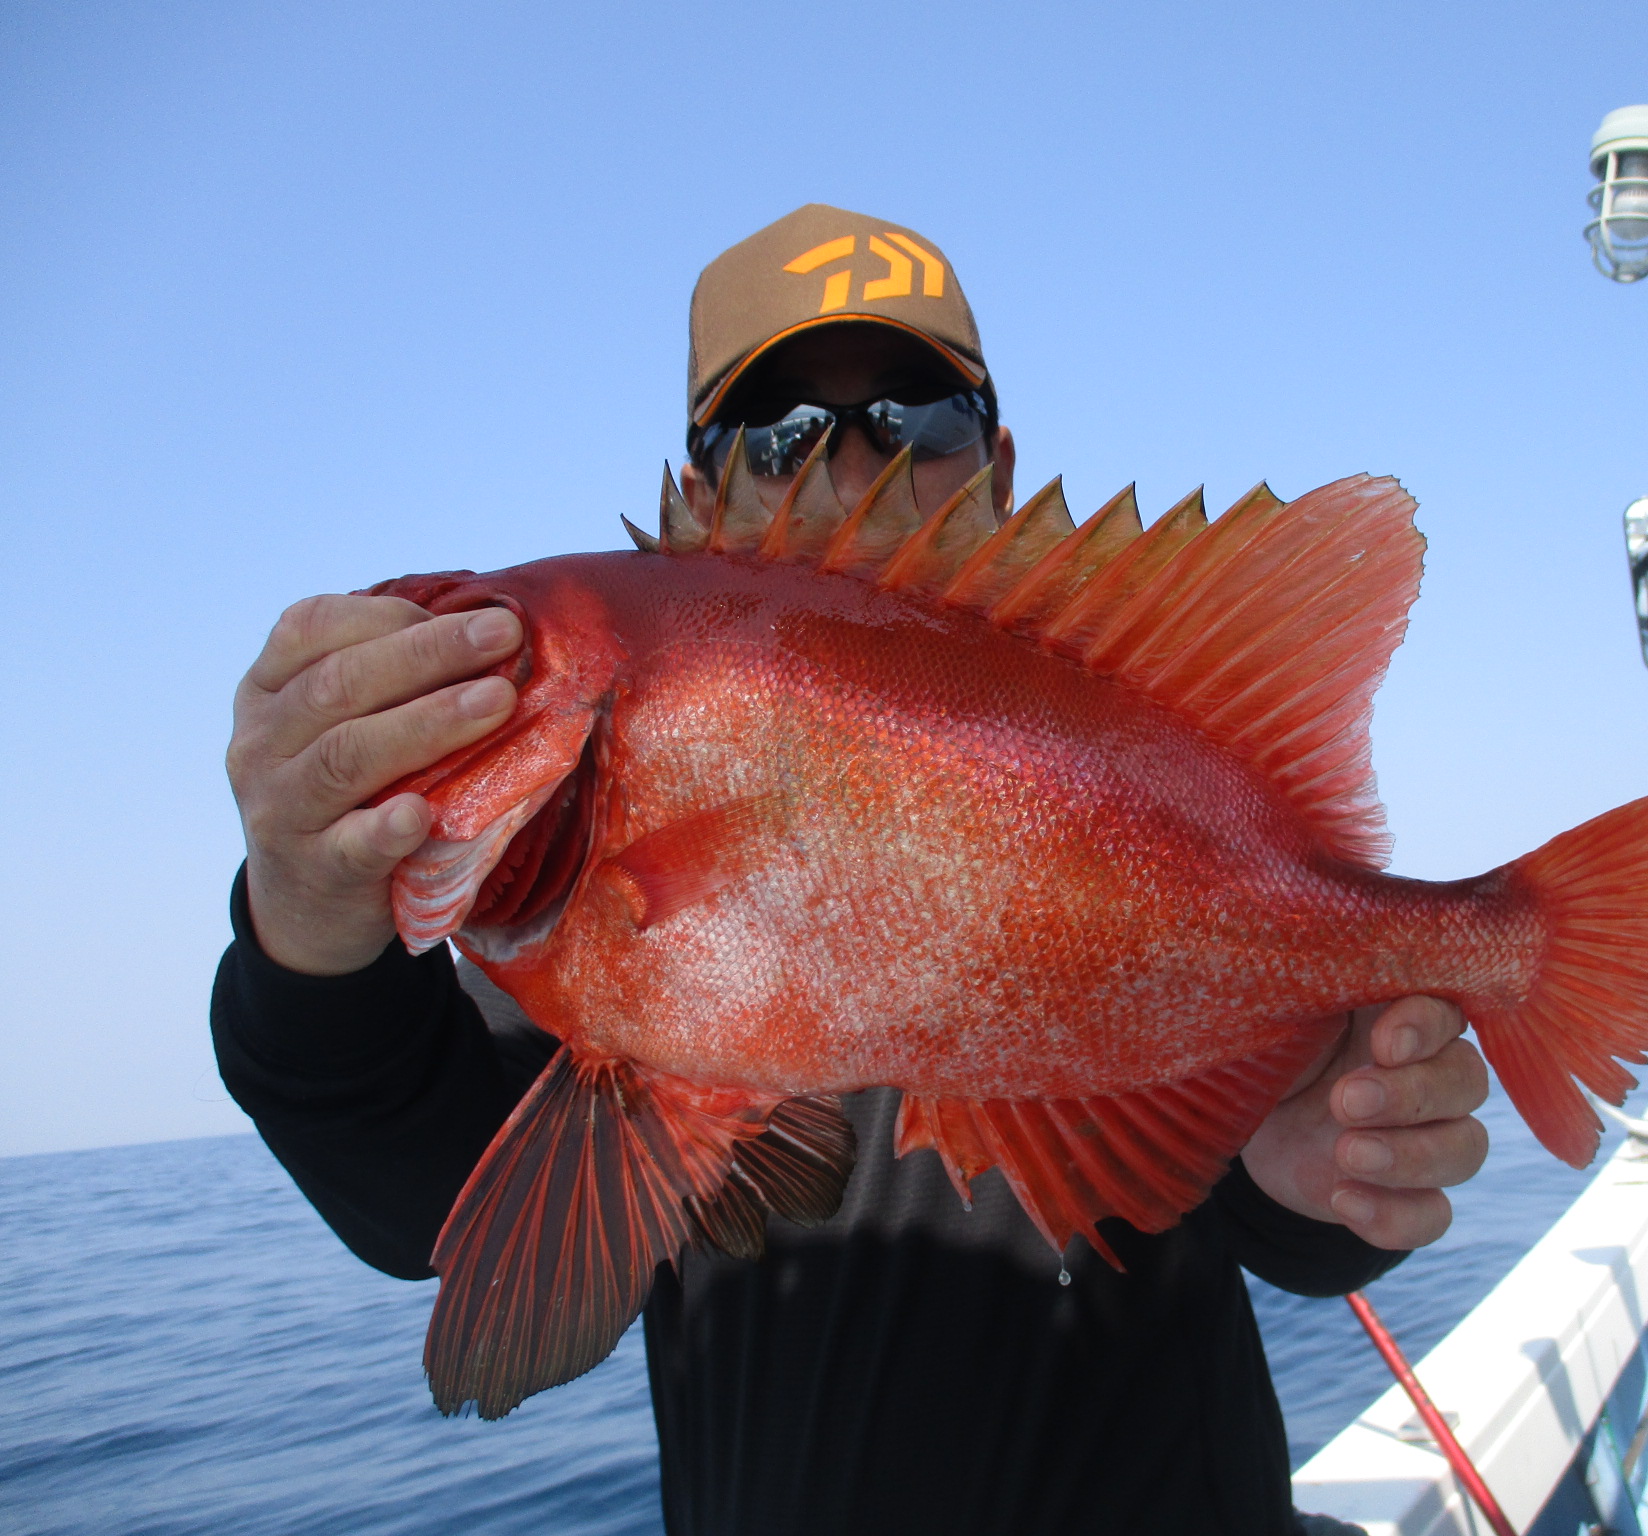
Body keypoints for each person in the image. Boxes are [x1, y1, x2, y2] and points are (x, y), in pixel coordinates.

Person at [213, 203, 1490, 1536]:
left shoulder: (1139, 719)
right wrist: (303, 928)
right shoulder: (583, 949)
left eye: (915, 417)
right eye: (778, 431)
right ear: (705, 486)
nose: (847, 465)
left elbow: (1280, 1199)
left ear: (995, 461)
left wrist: (1327, 1172)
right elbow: (418, 1191)